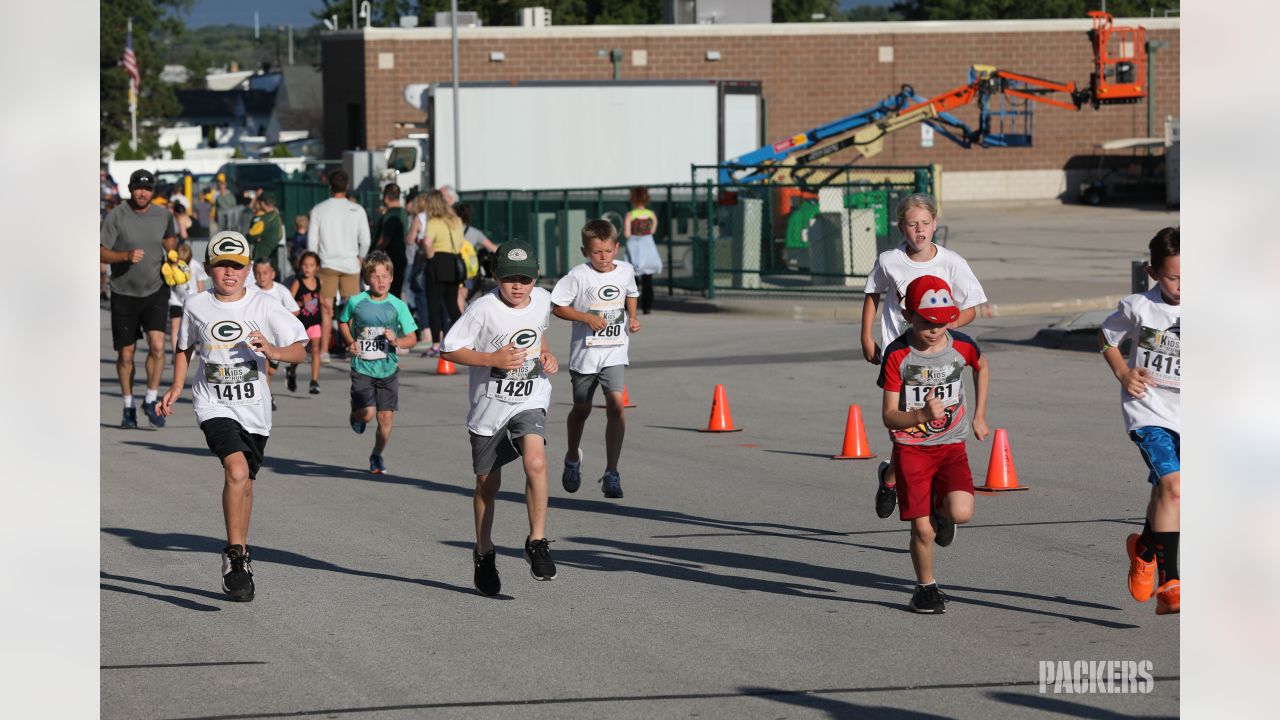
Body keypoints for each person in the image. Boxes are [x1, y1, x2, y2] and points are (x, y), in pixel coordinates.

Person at [156, 231, 308, 601]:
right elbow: (185, 346)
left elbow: (300, 350)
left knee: (247, 482)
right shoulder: (196, 305)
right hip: (213, 404)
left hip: (254, 409)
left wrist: (272, 349)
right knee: (236, 471)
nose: (230, 272)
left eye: (237, 266)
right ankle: (235, 556)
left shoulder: (265, 305)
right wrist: (177, 385)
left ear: (249, 269)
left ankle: (242, 552)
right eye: (222, 264)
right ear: (208, 267)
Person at [440, 240, 561, 596]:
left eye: (525, 278)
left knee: (536, 461)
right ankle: (484, 552)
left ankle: (537, 542)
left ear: (537, 277)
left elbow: (539, 336)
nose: (518, 286)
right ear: (495, 276)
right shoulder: (483, 309)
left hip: (529, 398)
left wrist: (547, 356)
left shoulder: (543, 299)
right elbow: (450, 348)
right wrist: (491, 359)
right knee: (487, 486)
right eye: (510, 279)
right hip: (490, 408)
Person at [861, 193, 987, 522]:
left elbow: (971, 308)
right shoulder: (890, 260)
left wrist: (942, 326)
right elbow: (872, 293)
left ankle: (895, 479)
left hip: (938, 354)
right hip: (900, 352)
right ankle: (902, 484)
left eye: (926, 224)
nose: (920, 230)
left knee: (923, 428)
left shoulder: (952, 263)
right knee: (909, 425)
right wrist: (865, 335)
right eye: (912, 224)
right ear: (901, 227)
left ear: (935, 224)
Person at [878, 275, 990, 614]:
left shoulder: (962, 346)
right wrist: (920, 415)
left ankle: (939, 508)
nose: (935, 330)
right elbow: (888, 416)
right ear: (909, 315)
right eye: (927, 322)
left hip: (951, 444)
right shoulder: (898, 355)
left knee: (962, 512)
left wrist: (980, 415)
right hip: (911, 449)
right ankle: (925, 588)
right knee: (923, 530)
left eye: (942, 323)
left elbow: (982, 366)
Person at [1099, 228, 1180, 615]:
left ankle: (1144, 549)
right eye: (1173, 277)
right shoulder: (1138, 308)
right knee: (1174, 488)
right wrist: (1122, 372)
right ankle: (1171, 583)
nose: (1182, 286)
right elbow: (1106, 337)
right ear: (1152, 272)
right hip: (1149, 412)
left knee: (1167, 495)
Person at [551, 219, 641, 499]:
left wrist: (633, 317)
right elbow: (558, 308)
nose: (603, 258)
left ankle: (612, 472)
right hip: (585, 355)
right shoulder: (578, 276)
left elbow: (631, 293)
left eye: (607, 251)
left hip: (614, 350)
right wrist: (586, 317)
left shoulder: (625, 270)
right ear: (585, 251)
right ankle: (571, 458)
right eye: (596, 252)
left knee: (616, 407)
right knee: (582, 410)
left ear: (616, 247)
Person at [100, 169, 179, 429]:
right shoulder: (117, 216)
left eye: (147, 188)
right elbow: (100, 251)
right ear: (130, 189)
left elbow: (170, 239)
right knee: (126, 355)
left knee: (157, 345)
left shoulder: (162, 215)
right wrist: (124, 256)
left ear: (153, 191)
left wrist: (174, 255)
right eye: (138, 188)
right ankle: (128, 406)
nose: (142, 193)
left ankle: (150, 399)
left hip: (156, 288)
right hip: (124, 292)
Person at [338, 251, 419, 474]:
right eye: (375, 276)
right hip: (363, 366)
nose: (381, 281)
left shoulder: (398, 306)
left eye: (385, 276)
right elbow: (343, 322)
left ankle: (377, 455)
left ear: (392, 278)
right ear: (366, 279)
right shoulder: (356, 301)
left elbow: (413, 337)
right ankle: (356, 415)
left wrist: (397, 340)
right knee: (367, 414)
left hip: (388, 369)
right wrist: (350, 341)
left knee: (385, 417)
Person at [308, 169, 371, 363]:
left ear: (329, 187)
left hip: (326, 264)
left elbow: (311, 242)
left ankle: (325, 350)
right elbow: (366, 240)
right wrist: (360, 258)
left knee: (327, 310)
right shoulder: (357, 209)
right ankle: (350, 346)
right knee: (351, 308)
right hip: (351, 264)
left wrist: (315, 264)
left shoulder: (319, 209)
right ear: (347, 187)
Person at [419, 189, 465, 357]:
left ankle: (436, 344)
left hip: (437, 263)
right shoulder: (456, 221)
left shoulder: (434, 222)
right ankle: (464, 339)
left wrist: (429, 255)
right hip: (453, 262)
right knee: (452, 304)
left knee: (434, 304)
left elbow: (427, 242)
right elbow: (460, 244)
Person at [252, 258, 301, 410]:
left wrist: (280, 319)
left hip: (276, 340)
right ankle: (268, 397)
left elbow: (295, 310)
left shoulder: (281, 290)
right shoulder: (250, 290)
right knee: (264, 367)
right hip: (258, 337)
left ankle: (288, 371)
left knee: (271, 370)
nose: (261, 276)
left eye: (265, 273)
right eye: (258, 273)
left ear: (273, 274)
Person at [287, 251, 324, 395]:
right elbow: (288, 302)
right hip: (300, 324)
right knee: (299, 353)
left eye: (311, 265)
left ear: (317, 267)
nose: (307, 268)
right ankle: (291, 371)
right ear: (300, 266)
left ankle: (314, 381)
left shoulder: (319, 282)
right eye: (305, 265)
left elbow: (319, 299)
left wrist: (327, 307)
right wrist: (301, 302)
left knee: (315, 349)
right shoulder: (297, 282)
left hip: (315, 321)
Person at [623, 186, 662, 315]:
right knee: (647, 279)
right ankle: (647, 307)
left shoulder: (630, 215)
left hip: (634, 245)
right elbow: (653, 230)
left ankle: (629, 307)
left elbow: (627, 233)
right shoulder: (651, 214)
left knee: (632, 279)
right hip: (647, 245)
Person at [455, 202, 498, 306]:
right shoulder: (474, 232)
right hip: (468, 270)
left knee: (454, 298)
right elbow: (494, 248)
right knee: (461, 297)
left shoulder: (450, 230)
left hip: (452, 267)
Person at [167, 243, 206, 356]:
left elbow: (200, 281)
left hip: (191, 300)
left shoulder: (194, 265)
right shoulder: (171, 264)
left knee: (190, 327)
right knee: (175, 326)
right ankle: (176, 353)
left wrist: (200, 297)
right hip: (175, 299)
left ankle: (190, 348)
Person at [372, 183, 409, 298]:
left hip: (389, 260)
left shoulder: (389, 215)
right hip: (401, 257)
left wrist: (374, 252)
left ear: (386, 197)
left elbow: (385, 239)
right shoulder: (403, 212)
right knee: (396, 292)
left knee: (386, 293)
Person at [405, 193, 431, 344]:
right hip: (436, 259)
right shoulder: (437, 217)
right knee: (434, 296)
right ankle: (439, 331)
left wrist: (413, 236)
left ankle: (426, 331)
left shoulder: (419, 217)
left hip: (420, 259)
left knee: (420, 294)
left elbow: (409, 240)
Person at [248, 191, 284, 277]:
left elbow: (250, 236)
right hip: (273, 261)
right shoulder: (277, 216)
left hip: (260, 261)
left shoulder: (264, 220)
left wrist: (260, 239)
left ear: (263, 203)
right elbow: (280, 236)